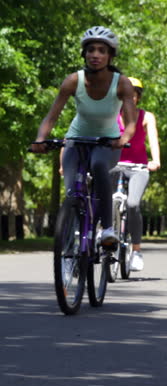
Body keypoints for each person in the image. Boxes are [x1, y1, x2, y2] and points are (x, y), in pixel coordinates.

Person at [31, 26, 136, 247]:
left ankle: (107, 229)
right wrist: (41, 139)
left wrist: (123, 139)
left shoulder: (122, 83)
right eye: (90, 50)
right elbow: (52, 116)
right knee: (72, 191)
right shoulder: (73, 80)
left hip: (108, 141)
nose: (95, 55)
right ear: (84, 54)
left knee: (98, 165)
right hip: (76, 139)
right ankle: (77, 236)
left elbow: (130, 124)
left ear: (110, 55)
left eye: (101, 50)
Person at [116, 77, 160, 271]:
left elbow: (153, 140)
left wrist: (155, 160)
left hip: (138, 168)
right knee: (99, 198)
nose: (129, 98)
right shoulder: (110, 116)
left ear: (138, 98)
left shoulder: (147, 117)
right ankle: (90, 242)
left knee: (133, 204)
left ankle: (136, 250)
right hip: (114, 165)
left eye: (133, 95)